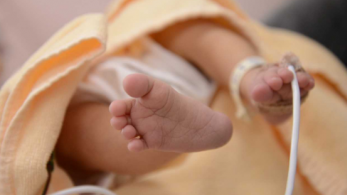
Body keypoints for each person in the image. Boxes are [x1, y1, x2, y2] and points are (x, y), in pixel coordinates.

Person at [55, 18, 314, 183]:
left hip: (143, 62)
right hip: (148, 89)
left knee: (185, 22)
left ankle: (254, 80)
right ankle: (250, 75)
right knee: (70, 135)